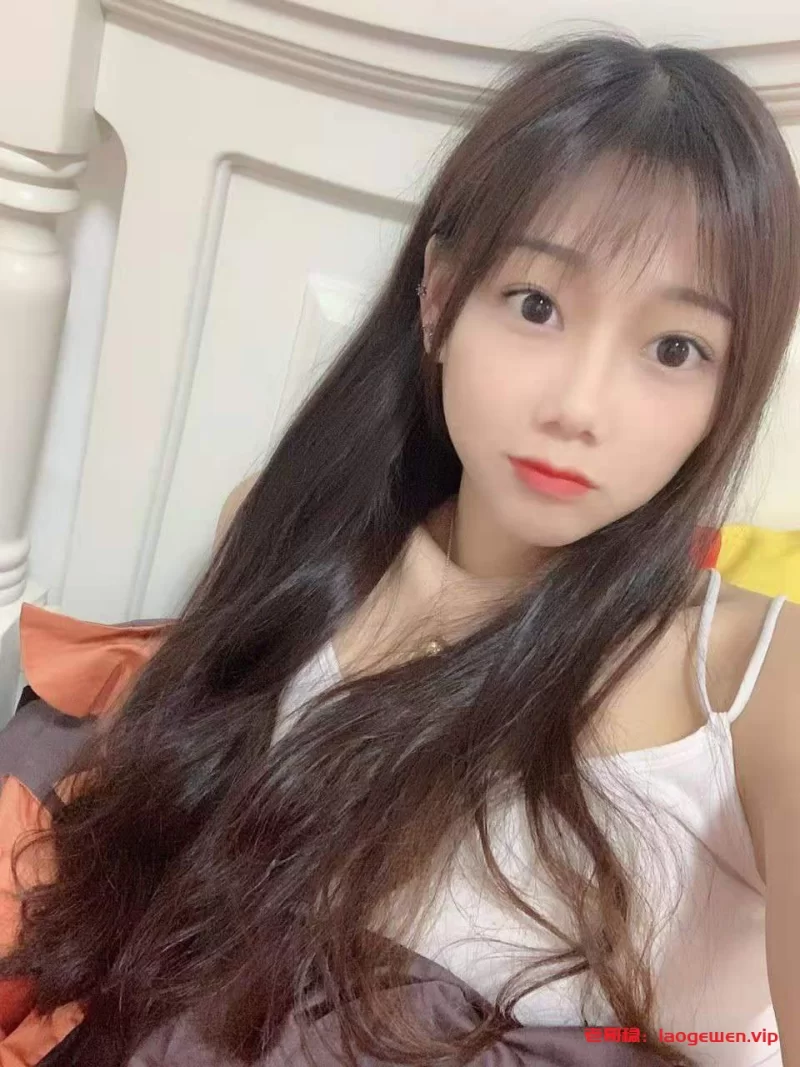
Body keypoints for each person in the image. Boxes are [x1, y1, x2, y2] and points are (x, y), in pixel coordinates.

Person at [0, 30, 799, 1067]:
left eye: (673, 348)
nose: (579, 404)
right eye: (536, 305)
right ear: (438, 297)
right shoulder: (293, 546)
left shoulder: (750, 681)